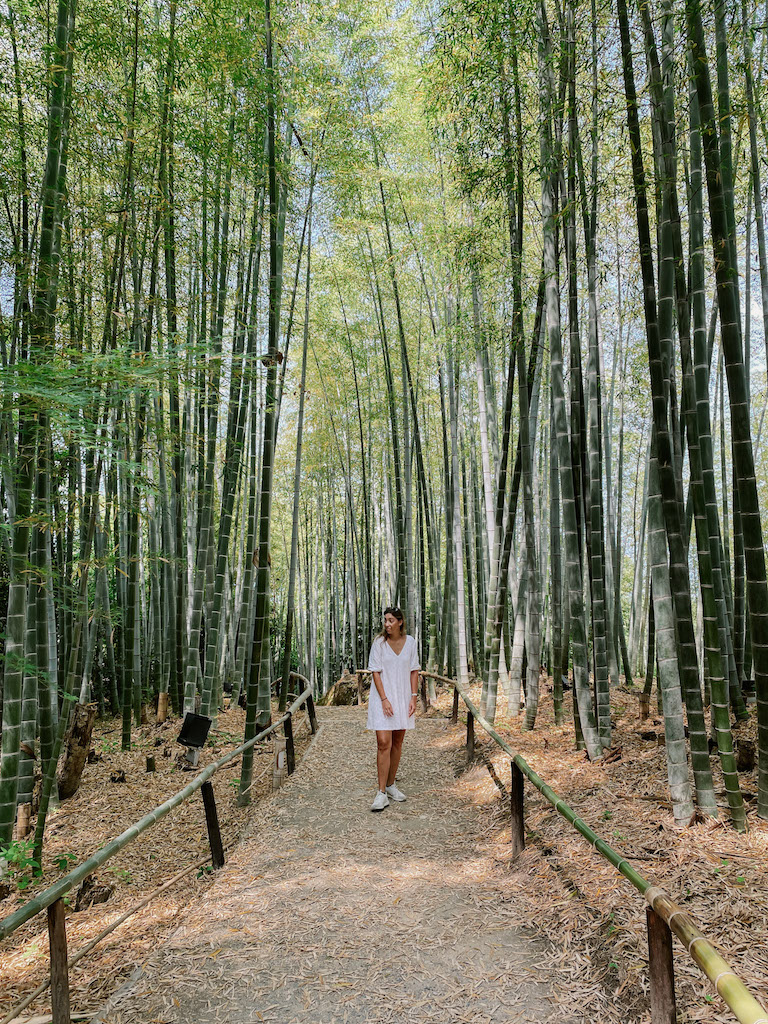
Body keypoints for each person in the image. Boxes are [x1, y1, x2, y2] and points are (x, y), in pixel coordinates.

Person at [366, 607, 420, 812]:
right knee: (383, 742)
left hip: (403, 696)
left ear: (400, 621)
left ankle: (390, 785)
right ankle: (380, 793)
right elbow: (376, 673)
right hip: (382, 699)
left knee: (397, 741)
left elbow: (414, 670)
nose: (387, 624)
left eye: (390, 620)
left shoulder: (411, 642)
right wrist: (384, 699)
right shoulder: (379, 644)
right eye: (385, 620)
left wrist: (413, 697)